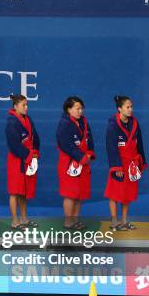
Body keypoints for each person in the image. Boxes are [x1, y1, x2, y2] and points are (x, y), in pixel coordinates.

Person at [104, 96, 146, 231]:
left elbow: (140, 144)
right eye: (127, 107)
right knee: (114, 193)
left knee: (127, 194)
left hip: (131, 165)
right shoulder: (112, 125)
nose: (130, 109)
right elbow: (111, 147)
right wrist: (116, 166)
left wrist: (141, 163)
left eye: (131, 107)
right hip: (119, 164)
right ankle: (114, 221)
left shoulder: (135, 123)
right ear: (119, 108)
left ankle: (125, 221)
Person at [56, 96, 95, 230]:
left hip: (83, 163)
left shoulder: (84, 121)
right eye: (77, 108)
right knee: (70, 194)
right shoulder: (64, 124)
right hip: (69, 164)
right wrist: (81, 157)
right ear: (69, 109)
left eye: (81, 109)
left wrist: (90, 153)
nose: (80, 111)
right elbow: (66, 145)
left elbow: (90, 139)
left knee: (80, 195)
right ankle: (68, 222)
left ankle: (76, 220)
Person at [5, 94, 39, 230]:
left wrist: (35, 153)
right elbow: (14, 146)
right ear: (15, 106)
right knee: (15, 192)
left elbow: (35, 137)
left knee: (23, 191)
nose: (26, 107)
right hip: (16, 160)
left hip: (28, 159)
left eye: (27, 104)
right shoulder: (11, 122)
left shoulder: (28, 119)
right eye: (23, 105)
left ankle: (24, 218)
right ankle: (15, 221)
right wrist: (29, 155)